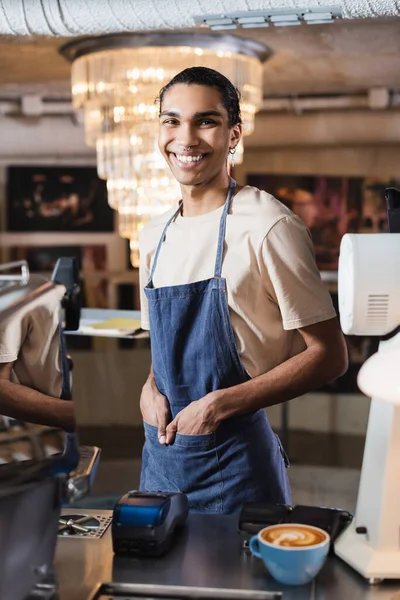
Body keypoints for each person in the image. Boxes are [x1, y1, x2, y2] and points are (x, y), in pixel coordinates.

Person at [138, 66, 348, 514]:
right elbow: (166, 348)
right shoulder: (152, 234)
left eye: (206, 121)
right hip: (161, 459)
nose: (186, 138)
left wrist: (219, 405)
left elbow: (330, 355)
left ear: (233, 135)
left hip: (236, 470)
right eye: (172, 121)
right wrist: (149, 386)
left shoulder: (269, 226)